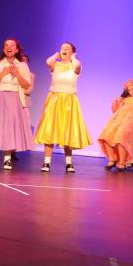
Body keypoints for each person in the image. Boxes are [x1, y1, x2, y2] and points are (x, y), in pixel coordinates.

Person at [34, 42, 92, 173]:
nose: (64, 50)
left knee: (68, 131)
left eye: (68, 49)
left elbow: (77, 65)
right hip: (54, 99)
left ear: (73, 52)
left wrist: (73, 57)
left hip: (69, 101)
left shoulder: (75, 65)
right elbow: (48, 62)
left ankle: (69, 163)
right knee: (49, 129)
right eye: (62, 48)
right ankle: (47, 162)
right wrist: (57, 54)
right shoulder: (56, 65)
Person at [0, 38, 34, 170]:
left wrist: (17, 74)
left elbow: (26, 85)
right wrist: (4, 73)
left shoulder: (22, 65)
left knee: (10, 128)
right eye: (6, 45)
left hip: (14, 98)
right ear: (3, 49)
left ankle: (7, 159)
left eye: (12, 45)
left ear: (17, 49)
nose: (9, 47)